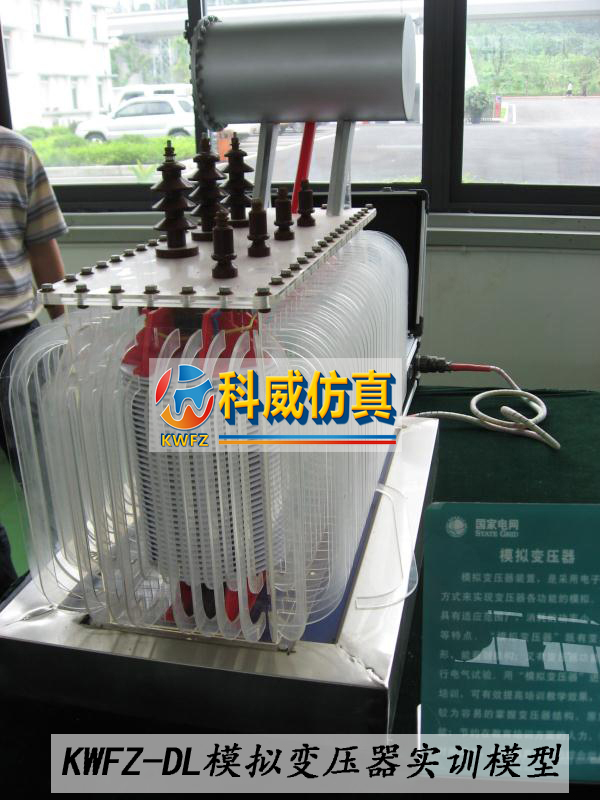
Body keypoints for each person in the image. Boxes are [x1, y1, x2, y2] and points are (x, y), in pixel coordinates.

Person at [0, 126, 67, 596]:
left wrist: (67, 331)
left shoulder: (14, 152)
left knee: (45, 477)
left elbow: (42, 247)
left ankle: (63, 578)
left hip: (16, 342)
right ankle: (7, 595)